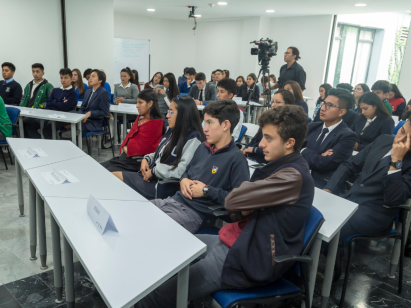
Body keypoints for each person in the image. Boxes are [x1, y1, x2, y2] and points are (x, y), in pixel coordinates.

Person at [135, 105, 313, 308]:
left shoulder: (292, 176)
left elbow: (234, 201)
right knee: (169, 253)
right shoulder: (278, 167)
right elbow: (239, 206)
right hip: (235, 240)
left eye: (269, 138)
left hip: (249, 257)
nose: (260, 144)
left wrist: (234, 199)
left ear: (290, 143)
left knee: (159, 291)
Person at [325, 110, 411, 256]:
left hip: (372, 215)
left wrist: (396, 162)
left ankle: (320, 268)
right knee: (308, 219)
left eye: (410, 140)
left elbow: (394, 198)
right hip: (348, 200)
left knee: (323, 233)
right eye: (402, 131)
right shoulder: (384, 140)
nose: (400, 140)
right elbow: (350, 165)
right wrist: (329, 189)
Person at [146, 100, 249, 234]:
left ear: (225, 125)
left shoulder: (236, 159)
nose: (204, 128)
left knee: (149, 228)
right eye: (205, 122)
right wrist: (183, 180)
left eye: (210, 122)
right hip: (172, 201)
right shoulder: (203, 147)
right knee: (136, 213)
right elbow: (186, 172)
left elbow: (239, 201)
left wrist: (207, 190)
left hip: (192, 214)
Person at [112, 96, 204, 199]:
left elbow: (182, 170)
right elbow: (160, 152)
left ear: (183, 114)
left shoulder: (193, 138)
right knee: (112, 177)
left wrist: (154, 171)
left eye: (171, 112)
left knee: (114, 178)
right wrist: (146, 159)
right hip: (153, 178)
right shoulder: (173, 130)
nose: (167, 115)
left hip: (163, 187)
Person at [301, 89, 357, 188]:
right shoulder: (312, 126)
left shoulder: (347, 136)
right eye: (324, 103)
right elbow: (291, 150)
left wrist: (303, 151)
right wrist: (318, 155)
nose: (322, 108)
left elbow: (324, 163)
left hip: (320, 183)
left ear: (341, 112)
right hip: (298, 174)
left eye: (329, 105)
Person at [101, 89, 165, 172]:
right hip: (127, 158)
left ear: (150, 103)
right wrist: (126, 146)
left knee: (106, 171)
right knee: (99, 167)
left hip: (135, 163)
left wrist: (125, 146)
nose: (137, 106)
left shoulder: (155, 124)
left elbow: (142, 150)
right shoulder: (140, 118)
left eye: (140, 102)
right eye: (137, 102)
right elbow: (130, 140)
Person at [242, 89, 295, 164]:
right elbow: (255, 140)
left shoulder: (288, 125)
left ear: (288, 104)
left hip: (266, 162)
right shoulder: (268, 120)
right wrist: (245, 149)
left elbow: (276, 150)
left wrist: (254, 149)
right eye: (272, 102)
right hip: (253, 159)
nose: (273, 105)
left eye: (278, 102)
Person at [26, 68, 77, 139]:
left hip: (63, 117)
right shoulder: (55, 90)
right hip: (50, 114)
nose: (63, 80)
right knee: (31, 126)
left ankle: (52, 147)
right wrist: (59, 103)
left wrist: (54, 102)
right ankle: (41, 143)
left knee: (47, 130)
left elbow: (65, 107)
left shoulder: (72, 93)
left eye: (66, 78)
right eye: (61, 78)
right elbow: (48, 104)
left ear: (71, 79)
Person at [72, 69, 111, 138]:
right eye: (90, 76)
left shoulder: (103, 93)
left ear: (100, 80)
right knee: (69, 125)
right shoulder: (88, 92)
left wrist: (90, 113)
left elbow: (105, 112)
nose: (90, 78)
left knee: (73, 129)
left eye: (93, 76)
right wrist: (81, 117)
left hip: (94, 123)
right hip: (84, 120)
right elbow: (82, 107)